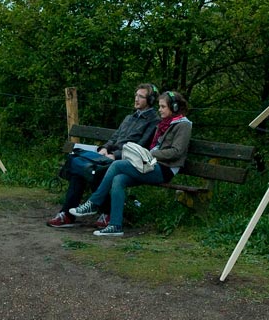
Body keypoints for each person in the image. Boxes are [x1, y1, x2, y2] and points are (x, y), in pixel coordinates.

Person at [69, 91, 192, 237]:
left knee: (117, 165)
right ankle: (115, 225)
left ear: (175, 107)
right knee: (118, 179)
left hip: (165, 169)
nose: (159, 110)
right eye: (159, 106)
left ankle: (93, 203)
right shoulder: (165, 123)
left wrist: (150, 154)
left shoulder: (183, 125)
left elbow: (176, 151)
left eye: (163, 107)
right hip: (151, 164)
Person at [47, 83, 160, 229]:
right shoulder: (129, 118)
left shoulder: (153, 121)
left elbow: (141, 146)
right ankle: (68, 214)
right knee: (79, 167)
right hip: (110, 156)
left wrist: (115, 155)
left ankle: (105, 213)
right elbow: (114, 138)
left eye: (141, 97)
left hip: (127, 160)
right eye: (136, 95)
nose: (136, 99)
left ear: (150, 100)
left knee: (92, 171)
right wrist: (105, 149)